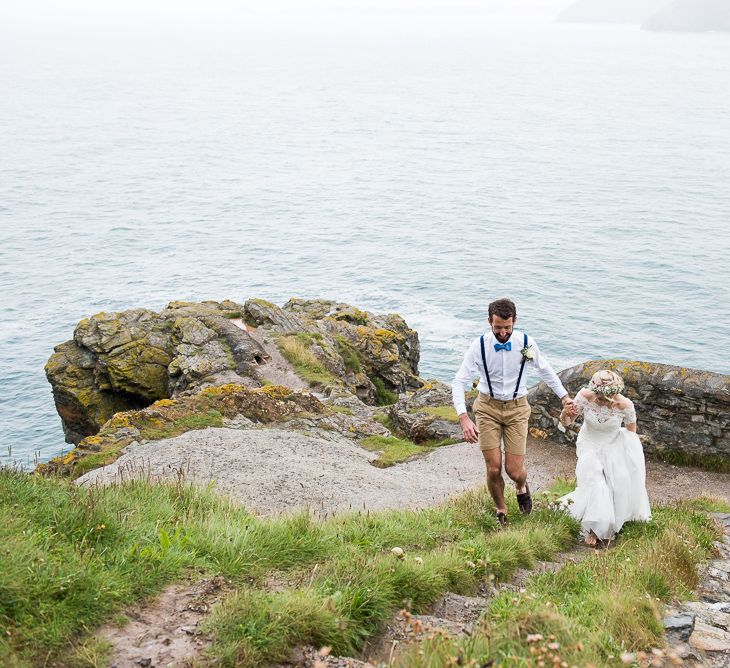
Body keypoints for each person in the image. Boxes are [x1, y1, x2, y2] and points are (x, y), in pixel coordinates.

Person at [452, 298, 573, 525]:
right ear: (490, 322)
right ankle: (501, 509)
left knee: (514, 470)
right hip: (487, 407)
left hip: (518, 408)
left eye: (507, 327)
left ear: (514, 321)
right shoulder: (478, 346)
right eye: (498, 328)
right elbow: (459, 381)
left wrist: (565, 397)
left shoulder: (526, 342)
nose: (503, 333)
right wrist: (463, 417)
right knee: (494, 467)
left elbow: (545, 371)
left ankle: (520, 486)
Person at [558, 369, 651, 546]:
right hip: (588, 443)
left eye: (602, 395)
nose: (598, 398)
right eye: (597, 393)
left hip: (612, 444)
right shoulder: (585, 395)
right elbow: (567, 422)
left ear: (613, 393)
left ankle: (601, 527)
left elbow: (631, 433)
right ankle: (594, 529)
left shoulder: (625, 405)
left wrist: (623, 456)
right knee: (595, 482)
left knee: (610, 484)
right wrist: (565, 413)